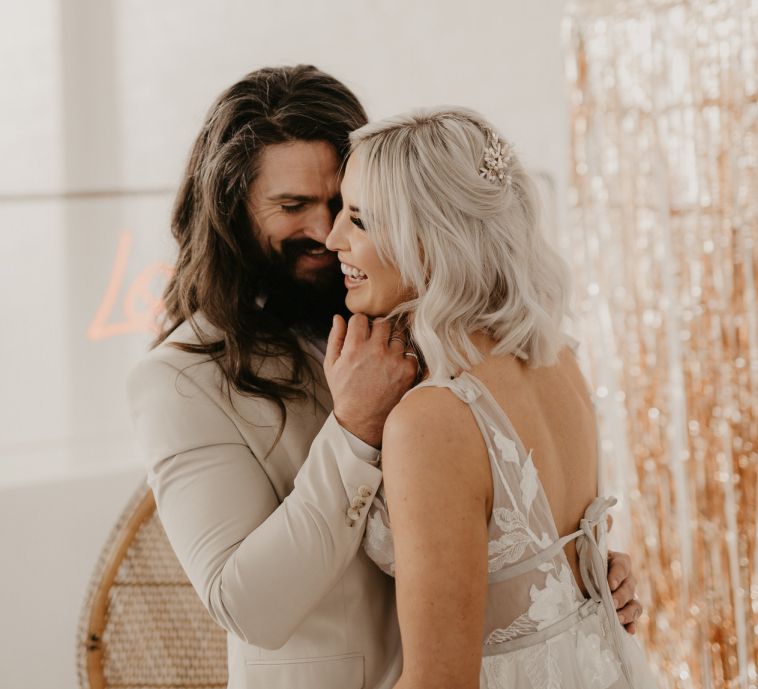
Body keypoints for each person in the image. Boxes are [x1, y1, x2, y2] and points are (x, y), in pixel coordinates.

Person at [127, 66, 643, 689]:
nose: (326, 233)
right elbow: (247, 608)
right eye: (293, 207)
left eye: (346, 206)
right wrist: (353, 430)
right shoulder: (181, 379)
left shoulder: (424, 329)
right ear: (232, 213)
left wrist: (568, 579)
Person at [325, 107, 658, 689]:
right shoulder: (558, 358)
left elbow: (438, 682)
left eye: (359, 219)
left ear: (429, 236)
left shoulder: (432, 420)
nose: (333, 239)